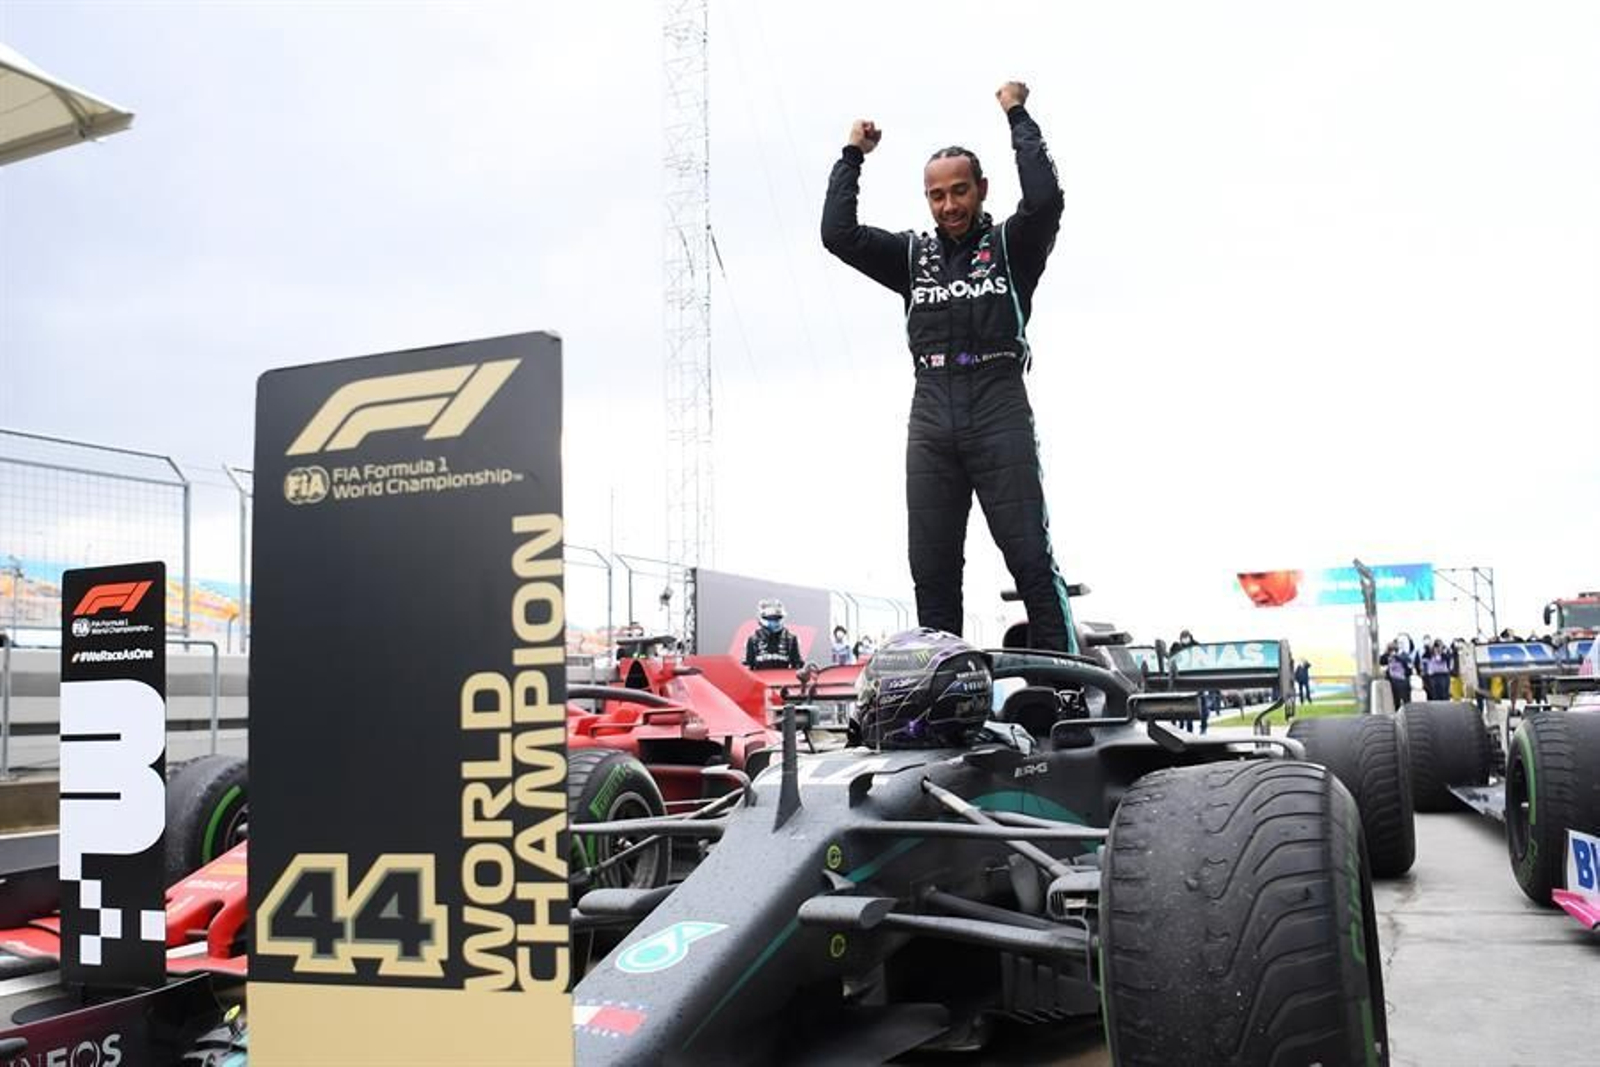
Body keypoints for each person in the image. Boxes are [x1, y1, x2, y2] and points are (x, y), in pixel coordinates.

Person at [821, 80, 1077, 653]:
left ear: (981, 189)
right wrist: (852, 155)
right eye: (936, 196)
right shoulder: (912, 256)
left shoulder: (1013, 245)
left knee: (1030, 560)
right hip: (932, 415)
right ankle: (944, 691)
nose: (950, 206)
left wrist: (1017, 115)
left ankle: (1065, 688)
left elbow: (1045, 199)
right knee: (932, 573)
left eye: (960, 191)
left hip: (998, 405)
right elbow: (838, 234)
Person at [744, 598, 802, 671]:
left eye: (776, 618)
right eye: (770, 618)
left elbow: (797, 665)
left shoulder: (790, 639)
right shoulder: (753, 640)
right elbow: (749, 666)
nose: (774, 621)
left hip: (783, 677)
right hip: (760, 677)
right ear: (762, 618)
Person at [1379, 640, 1413, 711]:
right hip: (1393, 682)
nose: (1392, 652)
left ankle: (1407, 712)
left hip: (1402, 681)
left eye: (1393, 650)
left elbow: (1408, 668)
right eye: (1390, 650)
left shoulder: (1403, 656)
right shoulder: (1387, 657)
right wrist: (1387, 654)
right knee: (1396, 701)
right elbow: (1382, 662)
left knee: (1406, 701)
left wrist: (1396, 657)